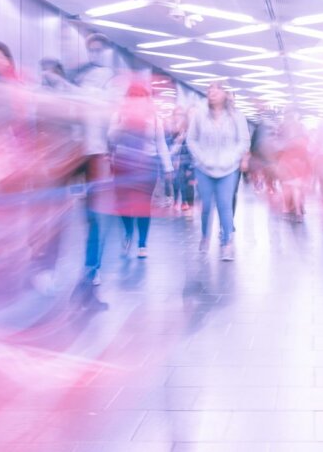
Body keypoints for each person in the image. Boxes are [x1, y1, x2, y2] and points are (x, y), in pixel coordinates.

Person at [70, 33, 116, 285]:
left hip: (97, 154)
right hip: (74, 153)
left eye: (99, 49)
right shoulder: (76, 75)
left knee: (95, 214)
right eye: (92, 49)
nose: (95, 54)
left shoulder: (110, 80)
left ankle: (92, 266)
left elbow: (112, 113)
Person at [187, 82, 250, 261]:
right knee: (206, 205)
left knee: (225, 205)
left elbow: (244, 141)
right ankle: (205, 236)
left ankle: (227, 242)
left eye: (217, 89)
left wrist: (232, 158)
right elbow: (191, 139)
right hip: (204, 168)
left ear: (226, 94)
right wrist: (201, 158)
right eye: (209, 89)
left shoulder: (237, 116)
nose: (212, 92)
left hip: (228, 168)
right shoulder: (200, 115)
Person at [108, 80, 172, 259]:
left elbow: (161, 144)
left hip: (147, 166)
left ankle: (142, 243)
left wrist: (168, 168)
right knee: (123, 204)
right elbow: (111, 139)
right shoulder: (118, 116)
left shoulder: (155, 120)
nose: (137, 101)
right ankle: (128, 232)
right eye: (133, 97)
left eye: (141, 97)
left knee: (143, 206)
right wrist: (125, 123)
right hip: (123, 165)